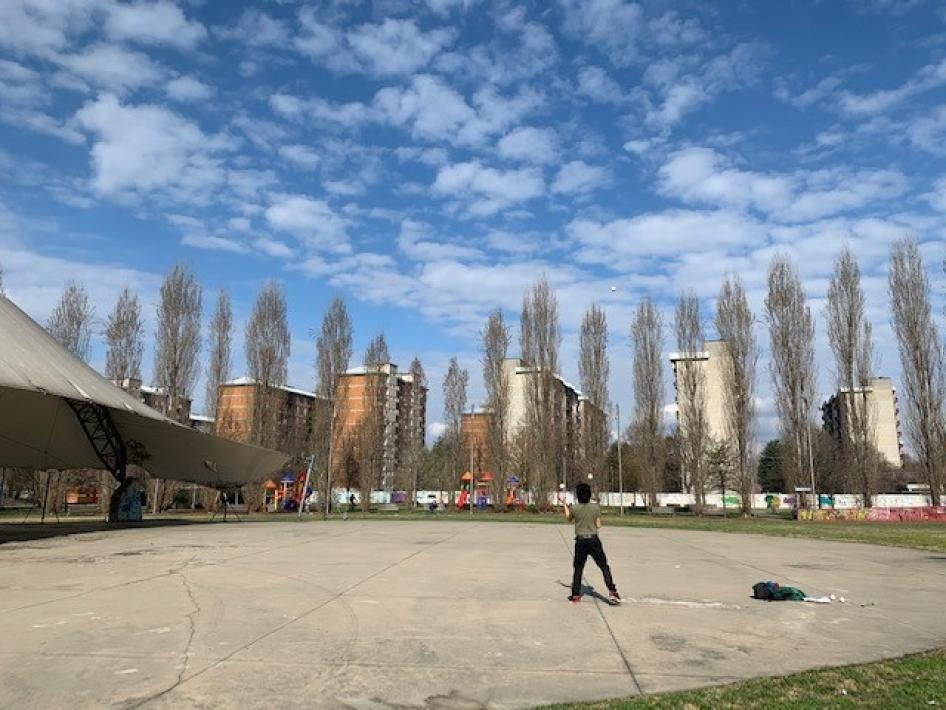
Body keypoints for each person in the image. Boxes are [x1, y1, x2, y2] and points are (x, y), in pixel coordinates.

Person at [564, 482, 621, 605]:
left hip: (580, 541)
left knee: (578, 568)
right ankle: (612, 591)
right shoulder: (595, 507)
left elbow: (568, 518)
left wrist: (564, 504)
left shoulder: (575, 508)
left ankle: (575, 595)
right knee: (604, 566)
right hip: (594, 540)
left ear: (578, 495)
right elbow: (599, 525)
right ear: (589, 494)